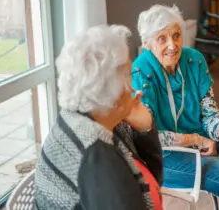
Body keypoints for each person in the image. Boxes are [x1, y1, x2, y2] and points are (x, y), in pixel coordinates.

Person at [132, 5, 219, 210]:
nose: (172, 45)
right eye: (162, 39)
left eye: (176, 35)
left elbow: (209, 114)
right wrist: (196, 140)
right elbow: (151, 137)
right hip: (166, 155)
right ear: (147, 44)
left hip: (204, 135)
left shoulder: (194, 60)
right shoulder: (141, 72)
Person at [35, 25, 165, 209]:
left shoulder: (73, 120)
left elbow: (153, 179)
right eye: (129, 75)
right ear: (115, 91)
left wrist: (145, 127)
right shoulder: (99, 158)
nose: (134, 88)